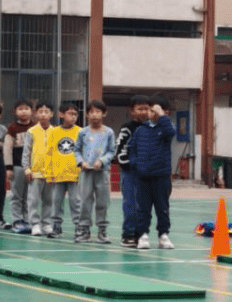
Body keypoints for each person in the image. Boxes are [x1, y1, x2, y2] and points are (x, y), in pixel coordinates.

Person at [128, 96, 176, 250]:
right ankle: (143, 235)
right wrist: (136, 164)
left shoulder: (165, 128)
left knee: (162, 207)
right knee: (143, 208)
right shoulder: (140, 130)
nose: (152, 112)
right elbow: (132, 149)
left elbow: (170, 132)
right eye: (150, 110)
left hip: (161, 176)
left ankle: (163, 235)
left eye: (155, 110)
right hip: (143, 176)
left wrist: (162, 116)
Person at [75, 100, 116, 244]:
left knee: (103, 202)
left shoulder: (108, 132)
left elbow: (112, 151)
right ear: (87, 114)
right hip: (86, 173)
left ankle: (102, 231)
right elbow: (76, 150)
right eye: (91, 112)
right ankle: (84, 230)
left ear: (104, 114)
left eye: (98, 111)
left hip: (102, 172)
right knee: (85, 201)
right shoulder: (83, 132)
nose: (94, 115)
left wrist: (102, 161)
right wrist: (81, 162)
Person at [115, 95, 151, 246]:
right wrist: (129, 165)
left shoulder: (153, 127)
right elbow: (120, 149)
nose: (143, 112)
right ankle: (128, 234)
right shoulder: (127, 128)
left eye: (146, 109)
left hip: (147, 174)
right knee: (130, 203)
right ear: (131, 111)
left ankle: (141, 234)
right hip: (130, 173)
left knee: (144, 205)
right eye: (139, 108)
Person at [47, 102, 82, 239]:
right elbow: (49, 154)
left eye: (75, 114)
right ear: (61, 114)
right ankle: (56, 227)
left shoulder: (80, 132)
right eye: (70, 113)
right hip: (57, 175)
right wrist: (49, 174)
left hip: (75, 175)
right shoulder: (54, 132)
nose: (73, 117)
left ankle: (79, 228)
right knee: (56, 203)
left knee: (76, 202)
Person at [22, 100, 56, 236]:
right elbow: (26, 152)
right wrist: (27, 169)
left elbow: (58, 153)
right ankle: (34, 224)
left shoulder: (55, 132)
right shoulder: (31, 131)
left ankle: (46, 223)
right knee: (33, 201)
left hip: (50, 174)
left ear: (51, 114)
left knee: (49, 201)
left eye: (46, 112)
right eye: (40, 112)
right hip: (35, 173)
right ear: (36, 114)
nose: (43, 114)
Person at [3, 99, 35, 234]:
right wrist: (8, 167)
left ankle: (28, 220)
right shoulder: (12, 128)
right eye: (20, 109)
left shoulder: (35, 127)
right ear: (15, 112)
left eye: (26, 109)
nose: (24, 111)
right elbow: (7, 148)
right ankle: (17, 220)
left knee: (30, 196)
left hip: (32, 168)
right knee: (17, 195)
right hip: (17, 167)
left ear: (31, 111)